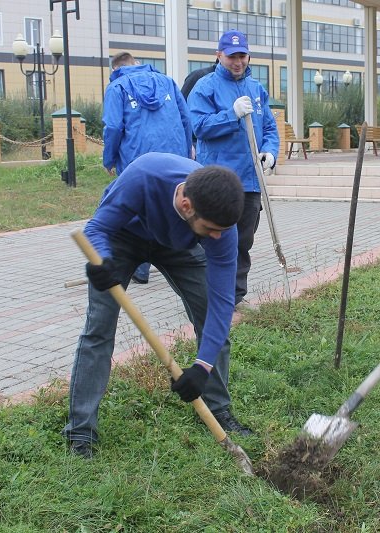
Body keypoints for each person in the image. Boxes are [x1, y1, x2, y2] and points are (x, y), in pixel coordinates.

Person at [63, 152, 253, 459]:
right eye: (212, 229)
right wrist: (103, 261)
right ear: (186, 205)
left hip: (180, 245)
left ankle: (217, 411)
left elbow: (221, 303)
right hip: (123, 237)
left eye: (222, 230)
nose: (218, 236)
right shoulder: (144, 176)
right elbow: (97, 228)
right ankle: (81, 430)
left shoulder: (221, 227)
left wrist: (202, 367)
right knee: (99, 327)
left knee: (210, 317)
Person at [188, 30, 280, 310]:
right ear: (219, 56)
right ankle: (206, 296)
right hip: (218, 181)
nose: (237, 62)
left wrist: (270, 152)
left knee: (243, 241)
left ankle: (235, 297)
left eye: (242, 56)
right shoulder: (205, 87)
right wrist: (232, 114)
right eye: (231, 56)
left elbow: (269, 127)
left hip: (250, 181)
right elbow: (199, 127)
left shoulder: (256, 88)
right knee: (213, 239)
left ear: (248, 55)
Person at [101, 51, 193, 285]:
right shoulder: (167, 82)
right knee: (174, 202)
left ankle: (140, 266)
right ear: (137, 64)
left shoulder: (117, 88)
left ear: (115, 69)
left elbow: (112, 127)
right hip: (174, 157)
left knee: (137, 206)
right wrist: (186, 152)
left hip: (137, 158)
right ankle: (181, 260)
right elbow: (185, 119)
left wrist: (109, 158)